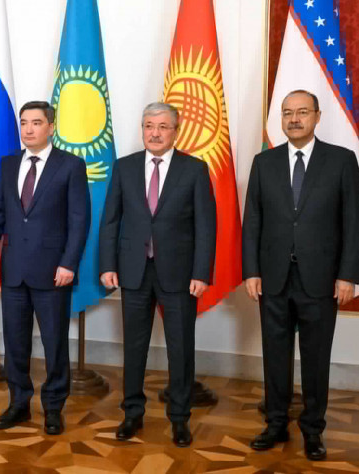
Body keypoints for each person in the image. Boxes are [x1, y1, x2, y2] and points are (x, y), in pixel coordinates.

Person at [242, 90, 359, 461]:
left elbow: (353, 222)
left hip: (321, 279)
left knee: (315, 357)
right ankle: (276, 423)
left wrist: (347, 275)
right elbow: (253, 222)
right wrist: (251, 271)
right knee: (274, 355)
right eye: (287, 113)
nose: (294, 119)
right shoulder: (264, 162)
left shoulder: (341, 160)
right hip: (273, 278)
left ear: (317, 116)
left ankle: (313, 430)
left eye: (302, 112)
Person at [99, 102, 216, 447]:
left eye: (163, 127)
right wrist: (107, 265)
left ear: (176, 131)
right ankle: (132, 414)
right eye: (149, 126)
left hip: (179, 274)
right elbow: (110, 221)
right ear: (142, 129)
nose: (155, 133)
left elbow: (206, 226)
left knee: (180, 348)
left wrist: (201, 272)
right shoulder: (124, 167)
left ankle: (179, 418)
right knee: (134, 347)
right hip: (133, 272)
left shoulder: (194, 169)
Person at [0, 100, 90, 435]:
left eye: (36, 123)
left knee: (54, 343)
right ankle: (18, 403)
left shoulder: (70, 165)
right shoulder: (7, 164)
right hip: (13, 269)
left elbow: (79, 220)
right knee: (15, 343)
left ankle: (53, 407)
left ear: (51, 127)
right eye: (24, 123)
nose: (28, 129)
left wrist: (69, 263)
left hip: (53, 272)